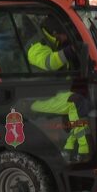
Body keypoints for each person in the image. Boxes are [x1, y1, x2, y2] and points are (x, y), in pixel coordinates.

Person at [26, 15, 90, 162]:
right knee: (75, 102)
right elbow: (50, 63)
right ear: (54, 33)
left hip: (51, 93)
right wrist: (70, 51)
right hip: (34, 98)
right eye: (63, 35)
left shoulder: (52, 46)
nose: (65, 38)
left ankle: (69, 148)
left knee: (83, 103)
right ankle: (84, 150)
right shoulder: (36, 46)